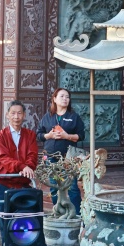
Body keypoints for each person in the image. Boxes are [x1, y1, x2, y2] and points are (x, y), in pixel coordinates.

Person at [0, 101, 43, 246]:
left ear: (24, 115)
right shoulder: (0, 136)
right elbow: (3, 158)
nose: (16, 117)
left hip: (23, 185)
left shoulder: (30, 135)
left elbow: (33, 157)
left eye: (19, 113)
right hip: (4, 184)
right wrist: (22, 166)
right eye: (13, 113)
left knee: (31, 220)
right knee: (5, 222)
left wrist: (28, 166)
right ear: (7, 115)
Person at [36, 87, 86, 215]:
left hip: (68, 158)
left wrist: (66, 136)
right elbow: (39, 134)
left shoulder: (73, 117)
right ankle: (59, 212)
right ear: (54, 99)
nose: (65, 99)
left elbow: (81, 136)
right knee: (54, 187)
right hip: (51, 157)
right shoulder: (48, 117)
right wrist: (49, 135)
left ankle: (77, 215)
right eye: (62, 96)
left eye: (67, 97)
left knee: (73, 187)